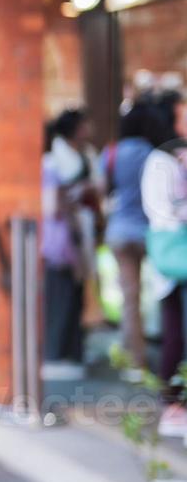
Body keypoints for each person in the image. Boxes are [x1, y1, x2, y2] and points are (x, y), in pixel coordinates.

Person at [143, 90, 187, 436]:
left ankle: (174, 402)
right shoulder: (163, 161)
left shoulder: (168, 159)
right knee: (177, 331)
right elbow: (168, 209)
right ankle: (174, 404)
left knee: (175, 327)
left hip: (173, 254)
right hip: (176, 254)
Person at [100, 104, 155, 369]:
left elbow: (102, 190)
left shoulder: (111, 153)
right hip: (147, 231)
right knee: (141, 296)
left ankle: (132, 356)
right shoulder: (150, 154)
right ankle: (137, 356)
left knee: (129, 297)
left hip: (119, 230)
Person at [41, 109, 97, 370]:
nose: (89, 130)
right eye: (85, 125)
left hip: (75, 236)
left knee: (74, 297)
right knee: (62, 297)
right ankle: (58, 353)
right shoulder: (53, 163)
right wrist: (77, 196)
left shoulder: (83, 156)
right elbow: (52, 204)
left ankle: (72, 351)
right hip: (61, 240)